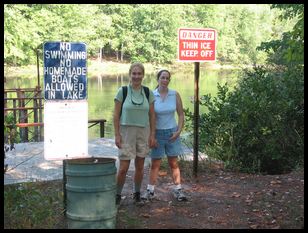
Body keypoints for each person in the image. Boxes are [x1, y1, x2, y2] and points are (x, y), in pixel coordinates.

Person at [113, 62, 156, 206]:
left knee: (140, 166)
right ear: (130, 74)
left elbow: (152, 116)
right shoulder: (123, 91)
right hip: (126, 132)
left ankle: (136, 194)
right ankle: (117, 195)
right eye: (134, 73)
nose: (136, 76)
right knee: (123, 168)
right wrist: (117, 135)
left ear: (143, 75)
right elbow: (115, 115)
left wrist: (152, 135)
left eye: (139, 74)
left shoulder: (148, 92)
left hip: (143, 131)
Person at [142, 69, 187, 202]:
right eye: (163, 78)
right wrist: (152, 135)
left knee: (173, 163)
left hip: (172, 133)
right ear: (158, 79)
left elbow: (180, 114)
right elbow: (150, 117)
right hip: (157, 133)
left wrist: (178, 131)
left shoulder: (175, 94)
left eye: (167, 78)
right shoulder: (152, 95)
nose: (165, 80)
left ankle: (178, 190)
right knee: (155, 163)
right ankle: (150, 191)